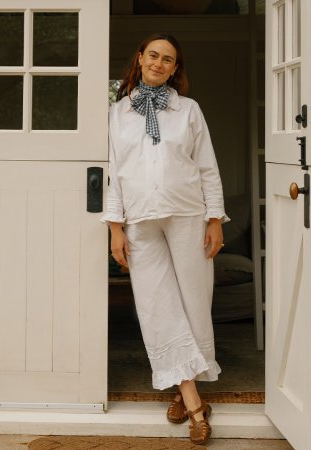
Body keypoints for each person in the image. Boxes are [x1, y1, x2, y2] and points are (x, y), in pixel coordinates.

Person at [102, 33, 228, 445]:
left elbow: (206, 166)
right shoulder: (116, 114)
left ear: (175, 69)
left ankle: (183, 389)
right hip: (139, 219)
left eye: (167, 59)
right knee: (155, 305)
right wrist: (115, 227)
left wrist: (215, 218)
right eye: (152, 55)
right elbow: (111, 172)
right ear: (139, 59)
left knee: (193, 300)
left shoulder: (188, 110)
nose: (158, 63)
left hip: (188, 213)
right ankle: (194, 402)